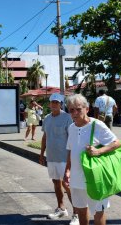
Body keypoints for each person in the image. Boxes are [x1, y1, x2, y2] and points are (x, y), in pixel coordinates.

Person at [64, 94, 121, 225]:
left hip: (95, 178)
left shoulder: (97, 125)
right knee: (81, 210)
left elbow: (117, 143)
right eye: (71, 110)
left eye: (78, 109)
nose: (75, 113)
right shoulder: (71, 127)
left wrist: (98, 151)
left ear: (87, 109)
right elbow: (70, 150)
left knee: (98, 211)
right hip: (76, 178)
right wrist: (67, 170)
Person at [39, 93, 78, 224]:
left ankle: (77, 214)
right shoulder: (47, 118)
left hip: (64, 157)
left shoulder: (67, 118)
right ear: (49, 104)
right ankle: (61, 208)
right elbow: (45, 137)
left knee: (67, 185)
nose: (54, 104)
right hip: (51, 156)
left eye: (57, 102)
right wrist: (41, 154)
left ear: (61, 104)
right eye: (52, 102)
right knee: (56, 183)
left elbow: (72, 138)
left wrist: (71, 158)